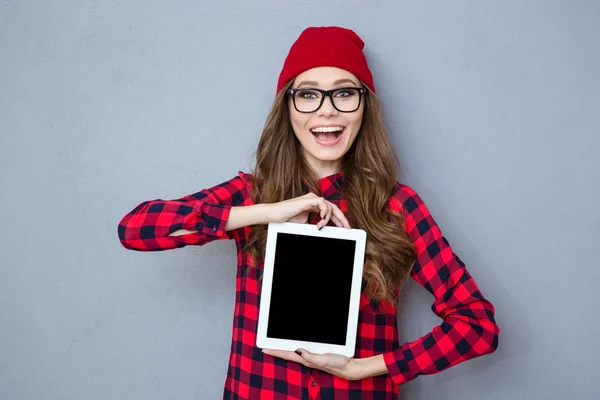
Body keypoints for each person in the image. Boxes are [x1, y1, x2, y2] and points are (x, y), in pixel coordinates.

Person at [118, 26, 500, 400]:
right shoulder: (253, 195)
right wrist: (266, 212)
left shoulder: (396, 206)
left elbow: (477, 326)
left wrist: (364, 367)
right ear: (287, 106)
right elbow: (135, 228)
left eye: (344, 93)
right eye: (308, 95)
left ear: (364, 105)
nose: (327, 110)